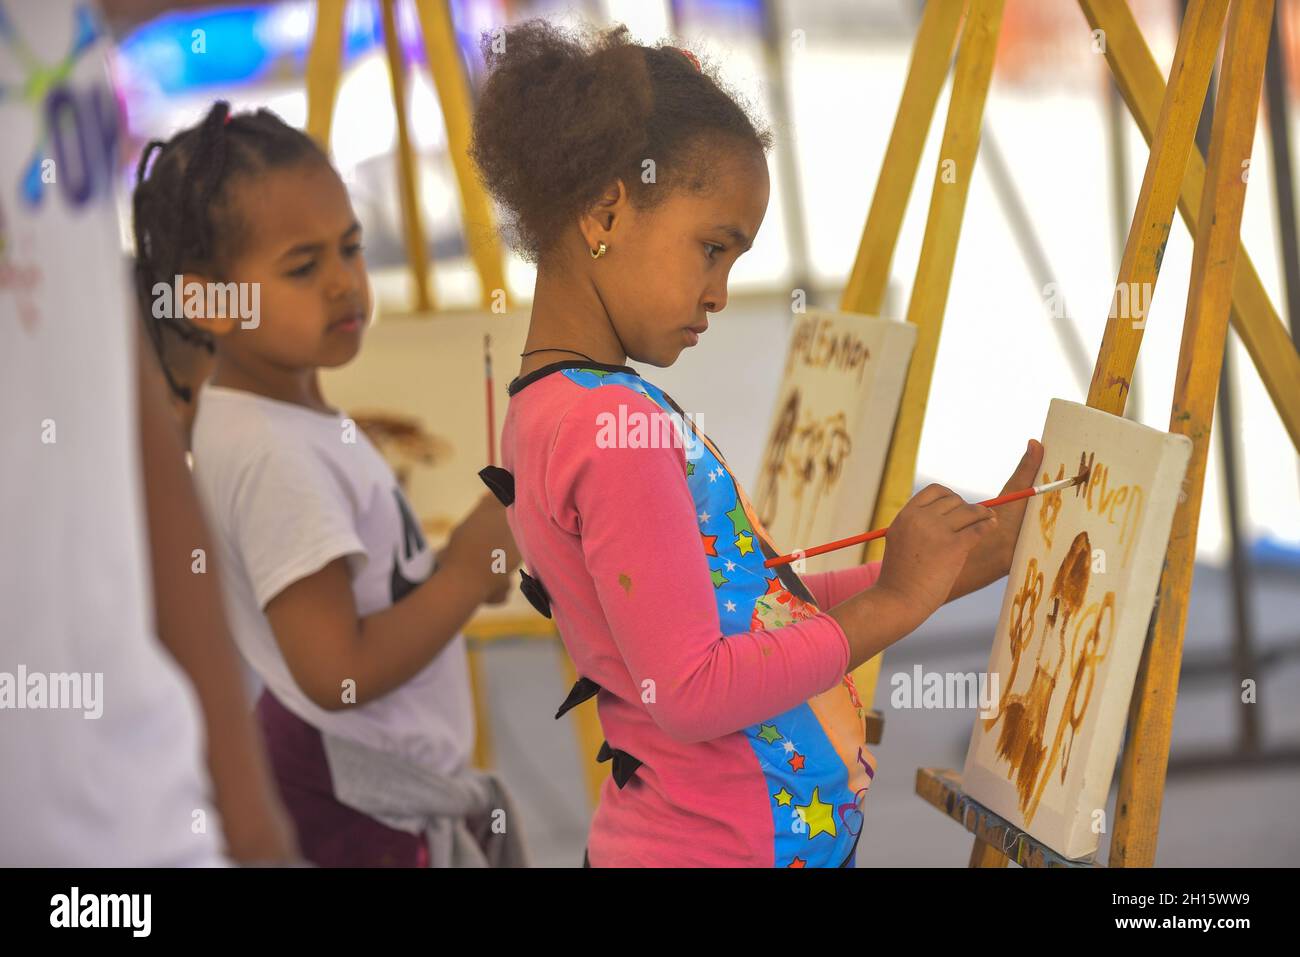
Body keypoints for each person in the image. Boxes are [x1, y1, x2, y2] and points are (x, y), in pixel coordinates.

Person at [471, 20, 1044, 867]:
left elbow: (752, 605)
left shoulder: (571, 407)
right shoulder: (607, 428)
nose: (721, 293)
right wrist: (890, 605)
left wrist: (952, 568)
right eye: (713, 248)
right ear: (605, 208)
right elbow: (694, 688)